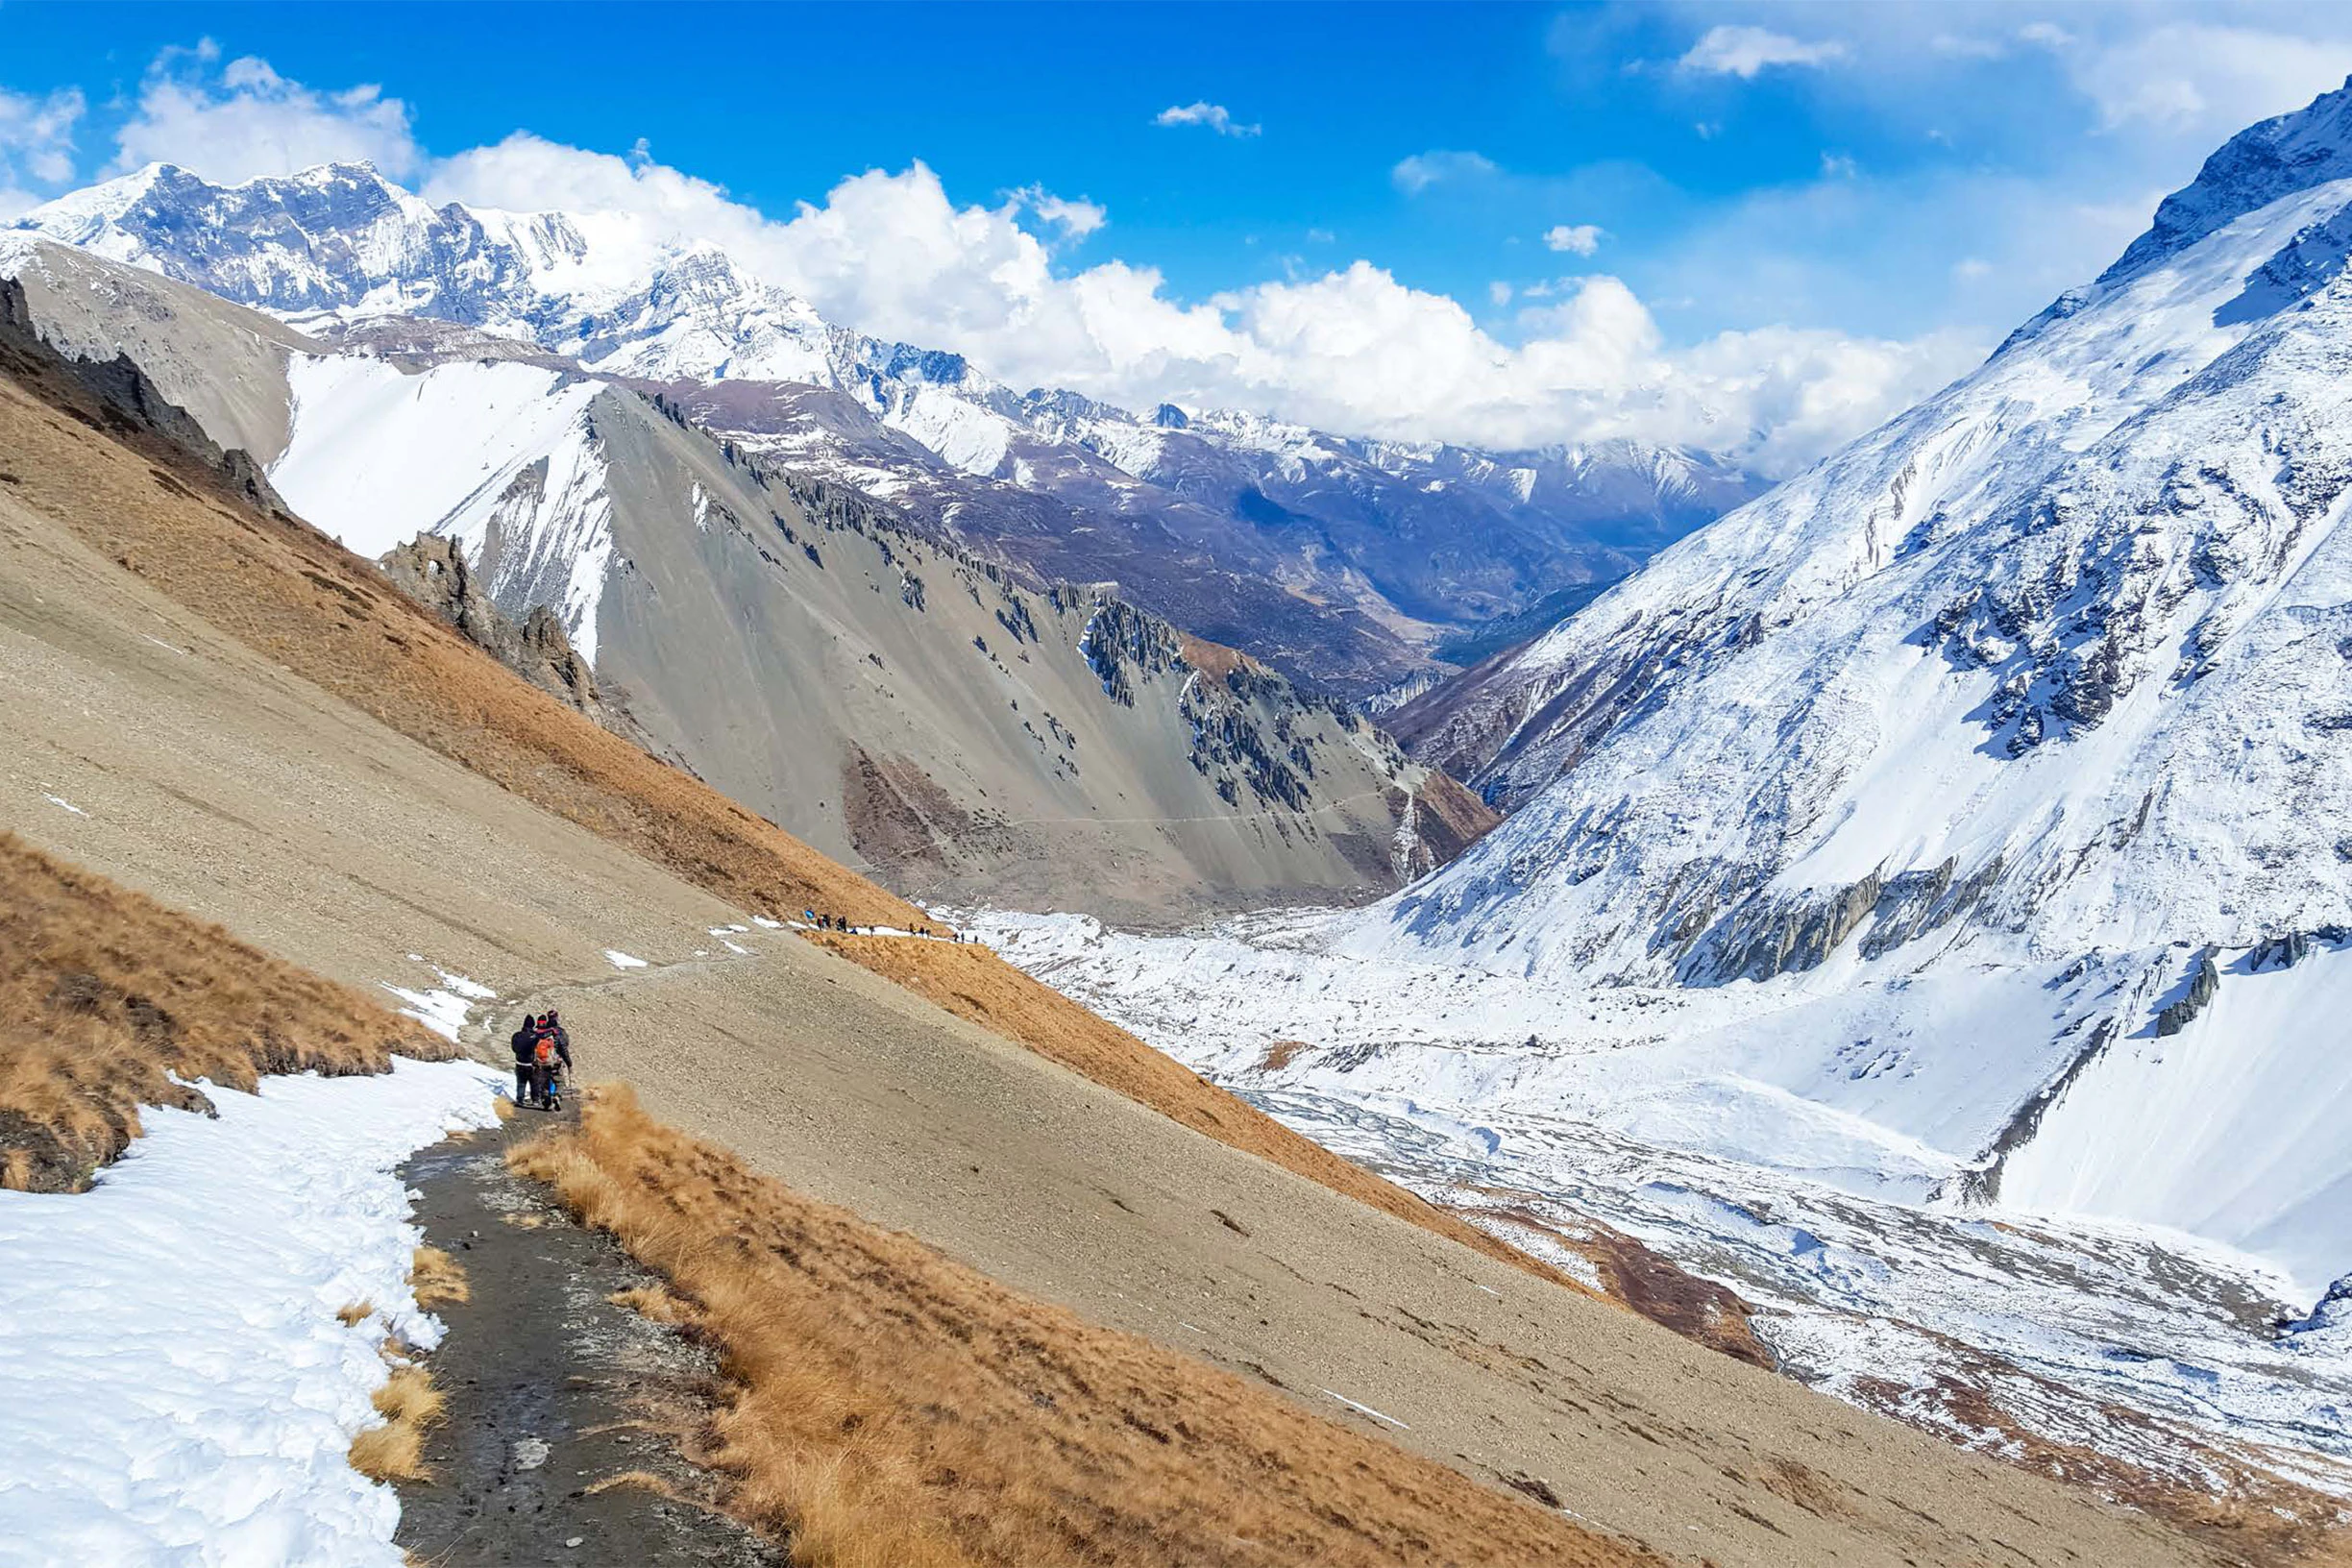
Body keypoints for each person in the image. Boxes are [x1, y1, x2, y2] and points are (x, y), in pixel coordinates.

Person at [509, 1014, 542, 1106]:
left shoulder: (516, 1035)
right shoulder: (535, 1036)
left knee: (521, 1083)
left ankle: (520, 1100)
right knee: (534, 1082)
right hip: (531, 1064)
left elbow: (514, 1048)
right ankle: (535, 1100)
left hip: (519, 1063)